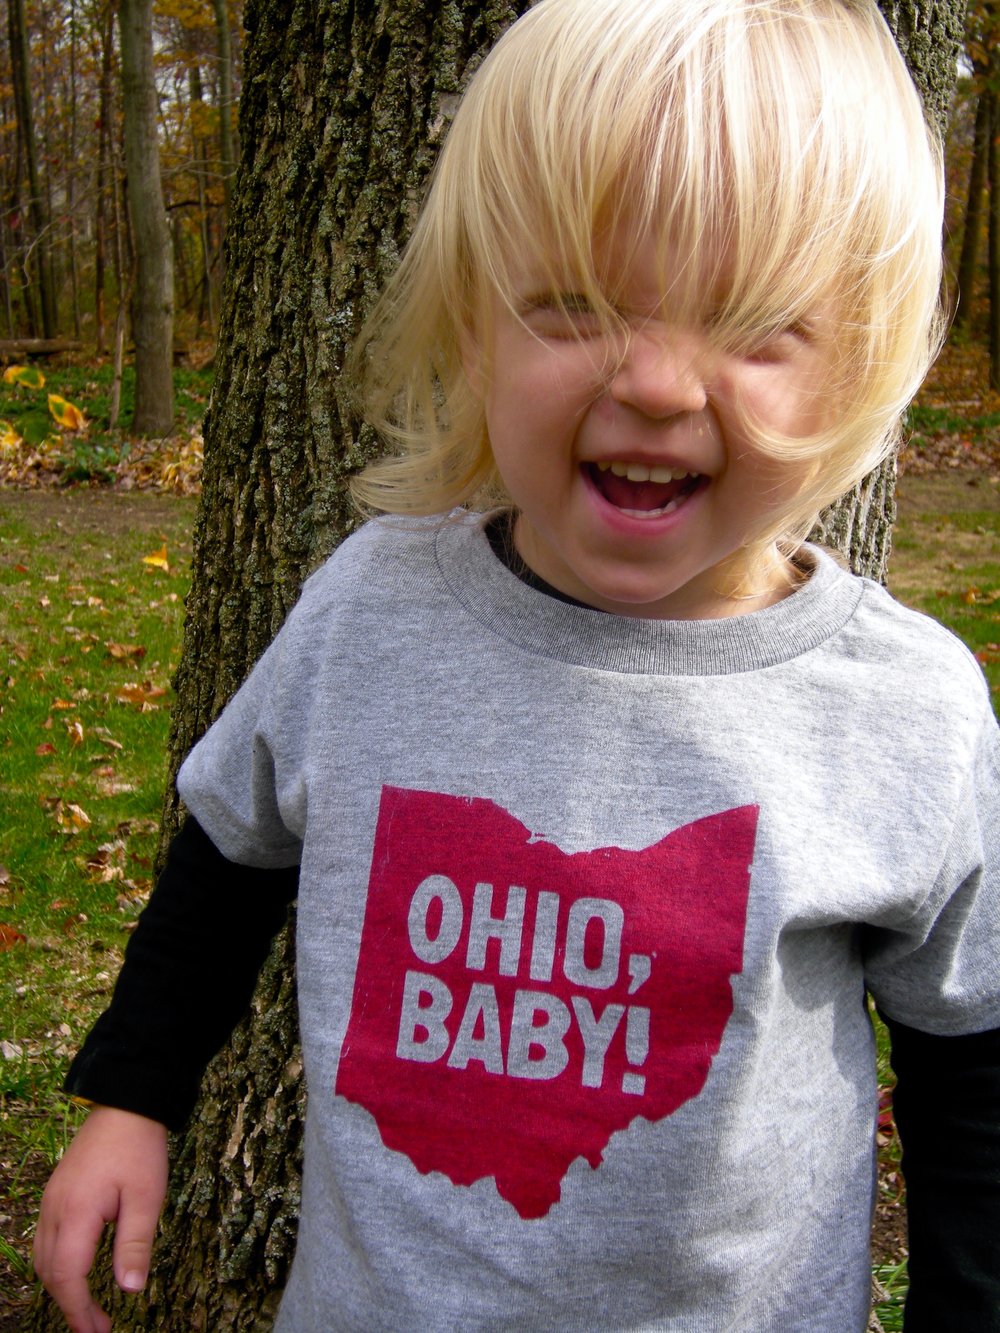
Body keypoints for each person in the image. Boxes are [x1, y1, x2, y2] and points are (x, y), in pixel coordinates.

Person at [34, 0, 1000, 1328]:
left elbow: (972, 1068)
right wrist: (132, 1095)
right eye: (575, 305)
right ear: (472, 324)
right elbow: (228, 846)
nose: (657, 382)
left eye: (756, 324)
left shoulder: (905, 716)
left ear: (858, 369)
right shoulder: (375, 609)